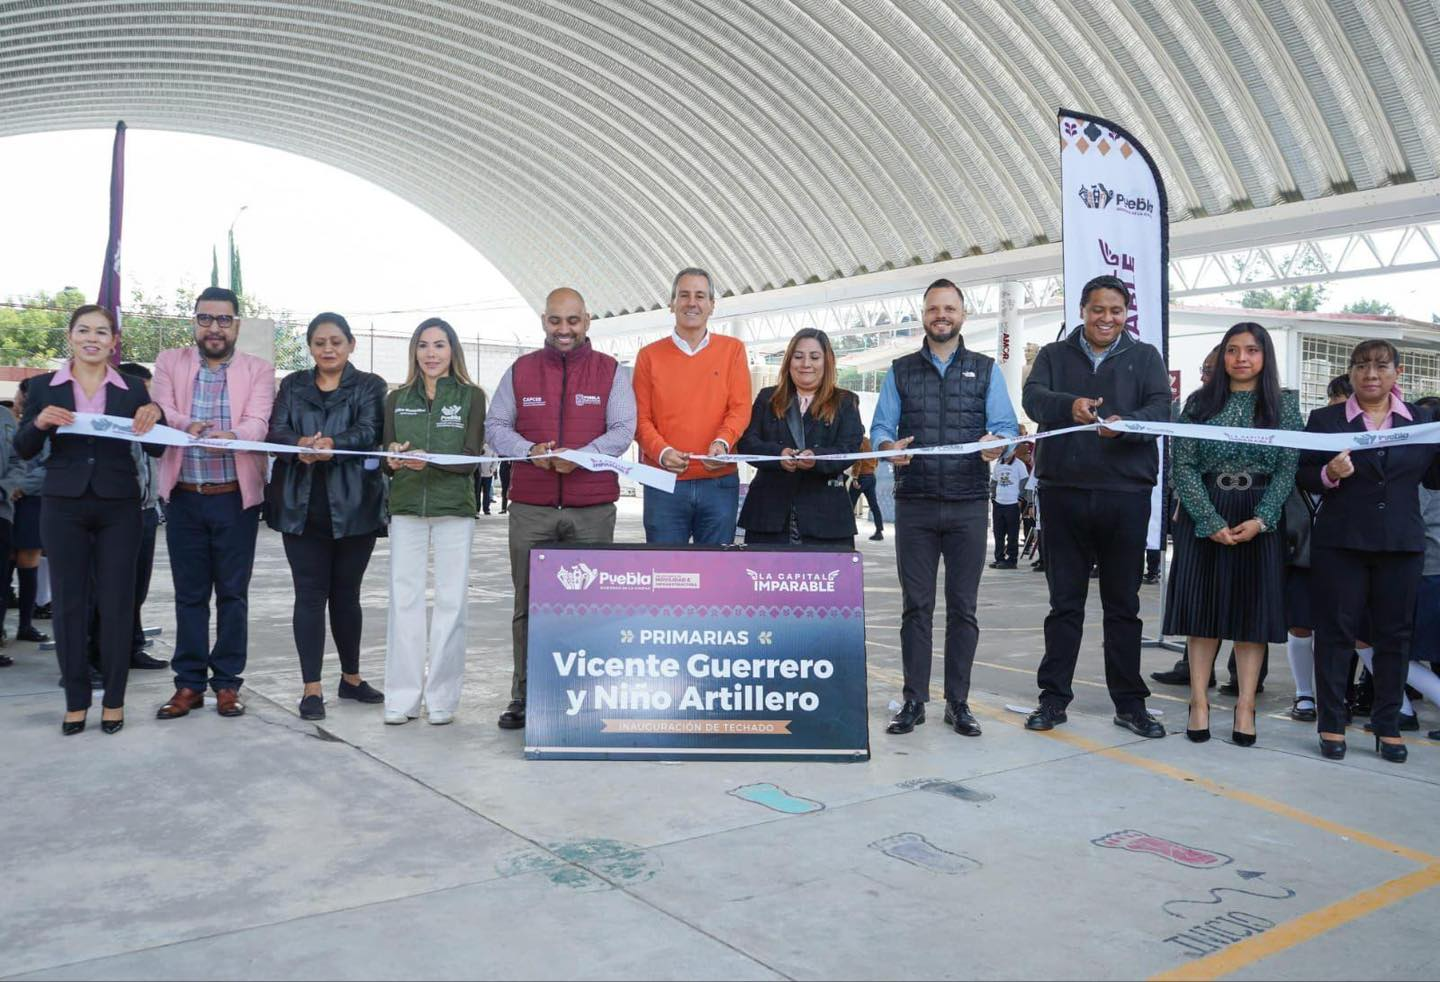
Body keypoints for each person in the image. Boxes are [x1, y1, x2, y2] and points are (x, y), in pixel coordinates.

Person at [1021, 275, 1173, 738]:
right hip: (1063, 492)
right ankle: (1053, 699)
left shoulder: (1145, 357)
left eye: (1116, 310)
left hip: (1125, 496)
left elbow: (1161, 410)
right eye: (1098, 310)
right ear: (1082, 311)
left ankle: (1130, 703)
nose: (1107, 318)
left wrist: (1128, 424)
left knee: (1123, 606)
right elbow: (1033, 399)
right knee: (1063, 604)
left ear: (1127, 314)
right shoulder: (1053, 355)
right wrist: (1070, 406)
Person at [872, 278, 1018, 737]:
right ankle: (914, 700)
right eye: (934, 308)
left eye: (949, 308)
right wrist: (886, 448)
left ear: (963, 315)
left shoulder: (986, 370)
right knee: (916, 607)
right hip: (915, 505)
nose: (941, 315)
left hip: (968, 504)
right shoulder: (899, 371)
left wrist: (1000, 444)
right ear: (923, 315)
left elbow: (1007, 428)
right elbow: (880, 429)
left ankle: (959, 702)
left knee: (963, 608)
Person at [485, 288, 635, 730]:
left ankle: (588, 694)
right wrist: (529, 451)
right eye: (555, 320)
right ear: (544, 322)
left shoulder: (610, 371)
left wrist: (583, 456)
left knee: (592, 607)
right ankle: (524, 695)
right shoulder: (521, 371)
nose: (563, 329)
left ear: (586, 321)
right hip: (531, 509)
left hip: (592, 509)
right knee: (528, 605)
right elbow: (496, 425)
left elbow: (623, 429)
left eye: (572, 320)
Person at [13, 305, 164, 734]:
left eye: (101, 332)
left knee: (117, 603)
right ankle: (76, 700)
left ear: (114, 341)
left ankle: (114, 700)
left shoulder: (132, 388)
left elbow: (157, 448)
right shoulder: (44, 386)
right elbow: (23, 448)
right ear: (70, 336)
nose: (92, 338)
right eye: (84, 330)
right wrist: (39, 422)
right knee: (69, 603)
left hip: (119, 506)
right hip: (64, 504)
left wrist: (156, 415)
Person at [1299, 340, 1440, 763]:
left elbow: (1433, 479)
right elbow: (1303, 473)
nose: (1371, 374)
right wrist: (1329, 473)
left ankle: (1388, 724)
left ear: (1397, 372)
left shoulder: (1422, 421)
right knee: (1335, 633)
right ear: (1352, 372)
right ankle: (1331, 722)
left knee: (1395, 636)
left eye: (1381, 366)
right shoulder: (1325, 420)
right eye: (1361, 366)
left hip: (1401, 543)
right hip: (1341, 542)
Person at [1162, 324, 1302, 747]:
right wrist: (1208, 519)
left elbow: (1288, 468)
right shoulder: (1199, 403)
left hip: (1260, 513)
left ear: (1265, 356)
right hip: (1206, 509)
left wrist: (1263, 518)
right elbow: (1183, 465)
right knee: (1202, 614)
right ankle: (1199, 702)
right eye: (1233, 350)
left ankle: (1245, 706)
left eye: (1252, 350)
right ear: (1222, 356)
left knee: (1250, 617)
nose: (1242, 358)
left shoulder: (1283, 405)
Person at [151, 286, 275, 720]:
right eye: (206, 318)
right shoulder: (170, 362)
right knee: (189, 596)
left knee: (232, 596)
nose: (214, 328)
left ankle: (226, 684)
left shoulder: (259, 370)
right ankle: (188, 685)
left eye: (223, 319)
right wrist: (190, 425)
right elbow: (162, 409)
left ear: (236, 325)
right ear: (195, 323)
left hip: (234, 500)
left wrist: (233, 436)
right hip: (185, 498)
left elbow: (258, 422)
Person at [266, 313, 389, 722]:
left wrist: (332, 445)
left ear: (351, 344)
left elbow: (369, 430)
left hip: (355, 508)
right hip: (300, 509)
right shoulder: (293, 385)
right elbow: (275, 432)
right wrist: (298, 443)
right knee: (309, 596)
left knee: (347, 595)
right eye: (319, 342)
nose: (328, 349)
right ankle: (311, 687)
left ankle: (351, 678)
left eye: (336, 341)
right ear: (310, 347)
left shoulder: (369, 385)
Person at [382, 317, 487, 726]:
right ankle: (402, 698)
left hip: (454, 509)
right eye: (423, 345)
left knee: (451, 602)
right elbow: (386, 457)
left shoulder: (471, 396)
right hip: (407, 507)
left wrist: (429, 459)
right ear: (414, 351)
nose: (431, 354)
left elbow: (470, 458)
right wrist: (393, 458)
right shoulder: (396, 398)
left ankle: (442, 697)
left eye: (439, 345)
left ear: (452, 350)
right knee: (404, 601)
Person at [633, 267, 752, 545]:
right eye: (684, 295)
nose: (691, 303)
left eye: (700, 296)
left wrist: (722, 443)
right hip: (663, 482)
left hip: (719, 483)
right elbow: (640, 418)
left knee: (715, 568)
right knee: (663, 567)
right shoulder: (648, 356)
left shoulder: (733, 350)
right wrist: (662, 452)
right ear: (672, 303)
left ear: (711, 305)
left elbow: (740, 408)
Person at [737, 328, 864, 547]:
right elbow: (747, 442)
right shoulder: (767, 398)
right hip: (768, 515)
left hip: (826, 519)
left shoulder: (845, 401)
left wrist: (816, 458)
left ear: (827, 362)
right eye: (798, 356)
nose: (806, 364)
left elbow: (849, 448)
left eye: (814, 357)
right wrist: (778, 455)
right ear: (788, 361)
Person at [1282, 374, 1353, 723]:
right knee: (1300, 626)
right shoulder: (1303, 451)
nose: (1339, 410)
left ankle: (1342, 696)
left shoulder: (1364, 462)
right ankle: (1304, 694)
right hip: (1301, 558)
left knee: (1348, 631)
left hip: (1347, 558)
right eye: (1335, 401)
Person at [10, 378, 49, 646]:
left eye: (21, 395)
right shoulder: (10, 423)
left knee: (28, 560)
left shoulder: (47, 426)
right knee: (6, 560)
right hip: (7, 499)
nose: (17, 400)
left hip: (31, 500)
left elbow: (50, 466)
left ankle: (26, 624)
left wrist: (21, 486)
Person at [989, 443, 1030, 569]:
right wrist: (993, 497)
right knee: (998, 533)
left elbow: (1024, 483)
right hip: (999, 503)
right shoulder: (998, 464)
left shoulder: (1019, 465)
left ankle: (1012, 559)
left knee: (1012, 534)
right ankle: (999, 558)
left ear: (1014, 451)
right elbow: (994, 482)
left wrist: (1020, 499)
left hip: (1012, 504)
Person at [848, 438, 884, 541]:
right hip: (871, 476)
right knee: (874, 505)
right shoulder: (871, 441)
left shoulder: (859, 441)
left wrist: (855, 477)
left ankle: (848, 531)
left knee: (849, 505)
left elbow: (858, 460)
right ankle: (879, 531)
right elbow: (876, 459)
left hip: (861, 477)